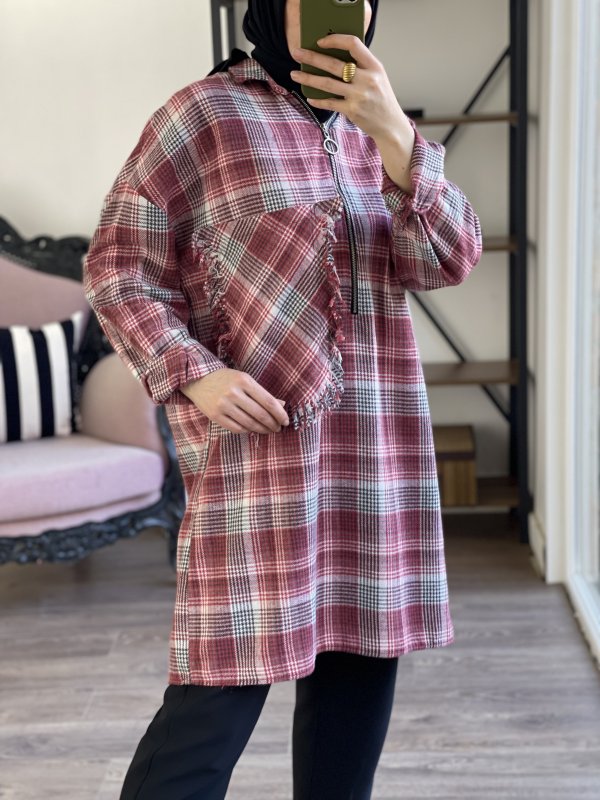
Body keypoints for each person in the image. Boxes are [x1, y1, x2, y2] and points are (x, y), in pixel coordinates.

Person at [83, 0, 482, 797]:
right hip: (256, 464)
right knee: (212, 705)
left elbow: (447, 258)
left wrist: (397, 137)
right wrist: (195, 372)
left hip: (372, 459)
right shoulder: (203, 117)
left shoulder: (378, 127)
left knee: (355, 692)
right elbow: (119, 267)